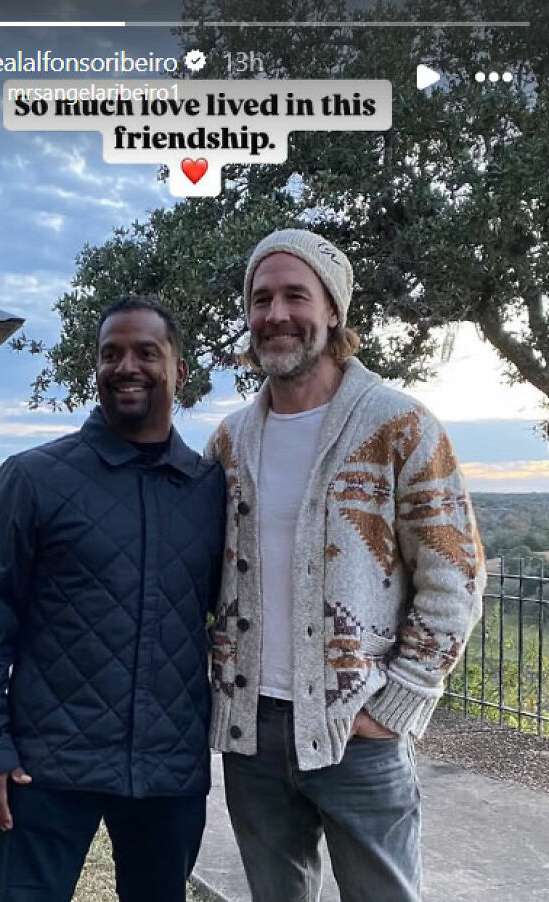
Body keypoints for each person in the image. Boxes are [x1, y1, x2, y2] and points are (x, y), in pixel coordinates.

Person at [205, 229, 486, 902]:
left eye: (295, 295)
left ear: (333, 310)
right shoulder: (229, 441)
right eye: (261, 297)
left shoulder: (400, 426)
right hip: (252, 735)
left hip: (357, 733)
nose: (276, 314)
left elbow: (456, 576)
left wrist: (397, 704)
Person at [0, 296, 225, 902]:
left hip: (168, 770)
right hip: (46, 766)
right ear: (96, 369)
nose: (126, 365)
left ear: (179, 371)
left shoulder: (209, 490)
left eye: (146, 352)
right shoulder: (33, 479)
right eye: (111, 354)